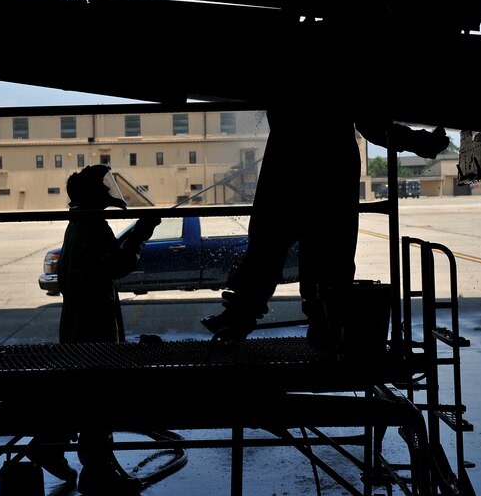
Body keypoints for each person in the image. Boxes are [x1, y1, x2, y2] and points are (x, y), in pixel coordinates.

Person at [201, 107, 450, 348]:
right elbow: (372, 124)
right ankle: (325, 326)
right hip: (329, 173)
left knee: (267, 247)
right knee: (326, 256)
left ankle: (243, 315)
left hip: (288, 167)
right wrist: (419, 142)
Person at [56, 163, 161, 495]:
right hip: (94, 321)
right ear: (93, 195)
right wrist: (140, 237)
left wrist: (128, 240)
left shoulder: (78, 224)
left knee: (88, 393)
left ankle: (86, 458)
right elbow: (116, 266)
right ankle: (99, 468)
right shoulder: (94, 225)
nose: (107, 192)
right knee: (98, 394)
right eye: (102, 188)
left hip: (78, 320)